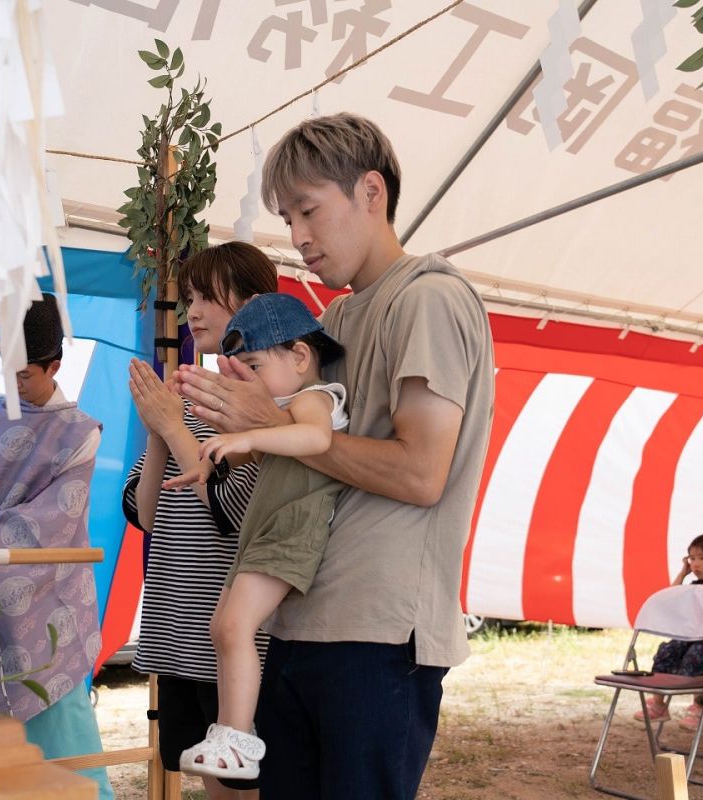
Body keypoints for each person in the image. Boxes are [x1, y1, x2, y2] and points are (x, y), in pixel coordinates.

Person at [176, 112, 494, 799]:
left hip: (378, 635)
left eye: (309, 211)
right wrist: (236, 433)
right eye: (287, 218)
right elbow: (299, 456)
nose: (297, 237)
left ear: (371, 192)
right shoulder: (336, 322)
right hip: (300, 623)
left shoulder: (428, 299)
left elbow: (419, 473)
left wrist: (267, 421)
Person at [0, 295, 114, 799]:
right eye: (7, 371)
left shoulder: (80, 434)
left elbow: (54, 516)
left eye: (25, 375)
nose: (15, 384)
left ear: (55, 365)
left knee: (58, 730)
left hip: (44, 596)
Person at [161, 293, 348, 780]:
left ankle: (238, 737)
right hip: (264, 530)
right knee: (223, 625)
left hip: (291, 531)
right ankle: (230, 731)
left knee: (235, 625)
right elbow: (254, 455)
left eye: (254, 366)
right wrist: (206, 461)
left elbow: (316, 441)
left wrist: (249, 436)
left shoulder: (313, 398)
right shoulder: (280, 411)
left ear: (300, 357)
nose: (247, 382)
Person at [122, 241, 278, 800]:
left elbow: (234, 513)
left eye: (206, 295)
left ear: (252, 300)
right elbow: (146, 515)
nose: (192, 310)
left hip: (238, 648)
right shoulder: (187, 400)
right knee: (214, 784)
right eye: (189, 297)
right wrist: (160, 428)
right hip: (179, 634)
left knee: (240, 785)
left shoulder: (269, 406)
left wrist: (176, 427)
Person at [634, 534, 703, 730]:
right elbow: (670, 598)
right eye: (692, 558)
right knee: (667, 651)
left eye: (702, 558)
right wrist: (682, 573)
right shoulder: (696, 586)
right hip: (693, 635)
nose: (696, 564)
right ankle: (659, 705)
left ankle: (699, 708)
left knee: (696, 656)